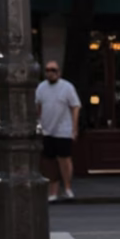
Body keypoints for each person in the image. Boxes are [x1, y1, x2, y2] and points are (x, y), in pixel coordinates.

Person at [35, 61, 80, 202]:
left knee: (64, 160)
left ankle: (67, 188)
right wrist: (39, 124)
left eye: (53, 70)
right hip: (47, 130)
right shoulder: (41, 87)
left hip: (63, 129)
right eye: (47, 70)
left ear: (58, 72)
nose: (50, 73)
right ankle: (53, 191)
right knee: (49, 161)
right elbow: (38, 107)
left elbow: (75, 107)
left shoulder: (67, 87)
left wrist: (74, 128)